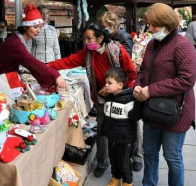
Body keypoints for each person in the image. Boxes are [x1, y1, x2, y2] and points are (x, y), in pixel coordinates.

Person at [48, 22, 137, 178]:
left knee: (129, 127)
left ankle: (136, 156)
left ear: (101, 37)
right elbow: (67, 61)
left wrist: (117, 90)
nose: (86, 42)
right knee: (102, 129)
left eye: (89, 38)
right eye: (84, 39)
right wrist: (46, 66)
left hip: (122, 98)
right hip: (102, 98)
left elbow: (131, 74)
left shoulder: (118, 51)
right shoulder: (87, 54)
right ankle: (102, 162)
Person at [133, 3, 196, 186]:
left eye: (154, 25)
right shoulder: (152, 44)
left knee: (172, 157)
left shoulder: (183, 45)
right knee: (150, 153)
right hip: (152, 111)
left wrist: (151, 90)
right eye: (149, 24)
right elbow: (144, 71)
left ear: (167, 24)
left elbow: (186, 80)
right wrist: (138, 86)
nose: (150, 29)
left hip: (175, 113)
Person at [99, 11, 143, 172]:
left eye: (105, 27)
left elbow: (127, 66)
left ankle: (137, 155)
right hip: (110, 86)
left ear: (113, 26)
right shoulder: (105, 40)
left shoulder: (124, 39)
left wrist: (120, 86)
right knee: (108, 122)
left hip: (123, 87)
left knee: (131, 121)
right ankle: (105, 161)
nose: (104, 30)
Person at [0, 5, 66, 89]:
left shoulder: (18, 40)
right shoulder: (15, 43)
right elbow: (30, 61)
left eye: (40, 27)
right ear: (25, 27)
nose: (38, 30)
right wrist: (55, 75)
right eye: (35, 27)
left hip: (5, 79)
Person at [103, 68, 142, 186]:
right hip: (112, 137)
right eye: (106, 82)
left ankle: (127, 182)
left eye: (109, 83)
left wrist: (139, 102)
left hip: (125, 139)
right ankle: (116, 177)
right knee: (113, 160)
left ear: (120, 85)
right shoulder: (109, 97)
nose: (106, 85)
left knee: (124, 163)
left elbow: (135, 117)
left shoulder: (128, 99)